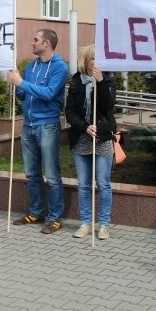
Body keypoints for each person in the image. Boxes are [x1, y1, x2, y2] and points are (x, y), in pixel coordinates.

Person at [7, 29, 69, 234]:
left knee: (51, 175)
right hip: (29, 125)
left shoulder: (60, 67)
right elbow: (25, 95)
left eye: (36, 40)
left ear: (48, 43)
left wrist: (22, 83)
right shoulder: (31, 67)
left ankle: (55, 218)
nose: (32, 43)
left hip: (47, 126)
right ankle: (36, 212)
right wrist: (15, 84)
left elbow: (50, 93)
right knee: (32, 173)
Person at [66, 45, 117, 240]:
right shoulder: (77, 81)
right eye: (94, 58)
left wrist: (101, 82)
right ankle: (86, 222)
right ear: (86, 61)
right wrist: (85, 126)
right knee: (84, 184)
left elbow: (108, 106)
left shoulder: (109, 78)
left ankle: (104, 224)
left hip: (102, 137)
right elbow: (69, 112)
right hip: (82, 138)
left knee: (103, 183)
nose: (98, 62)